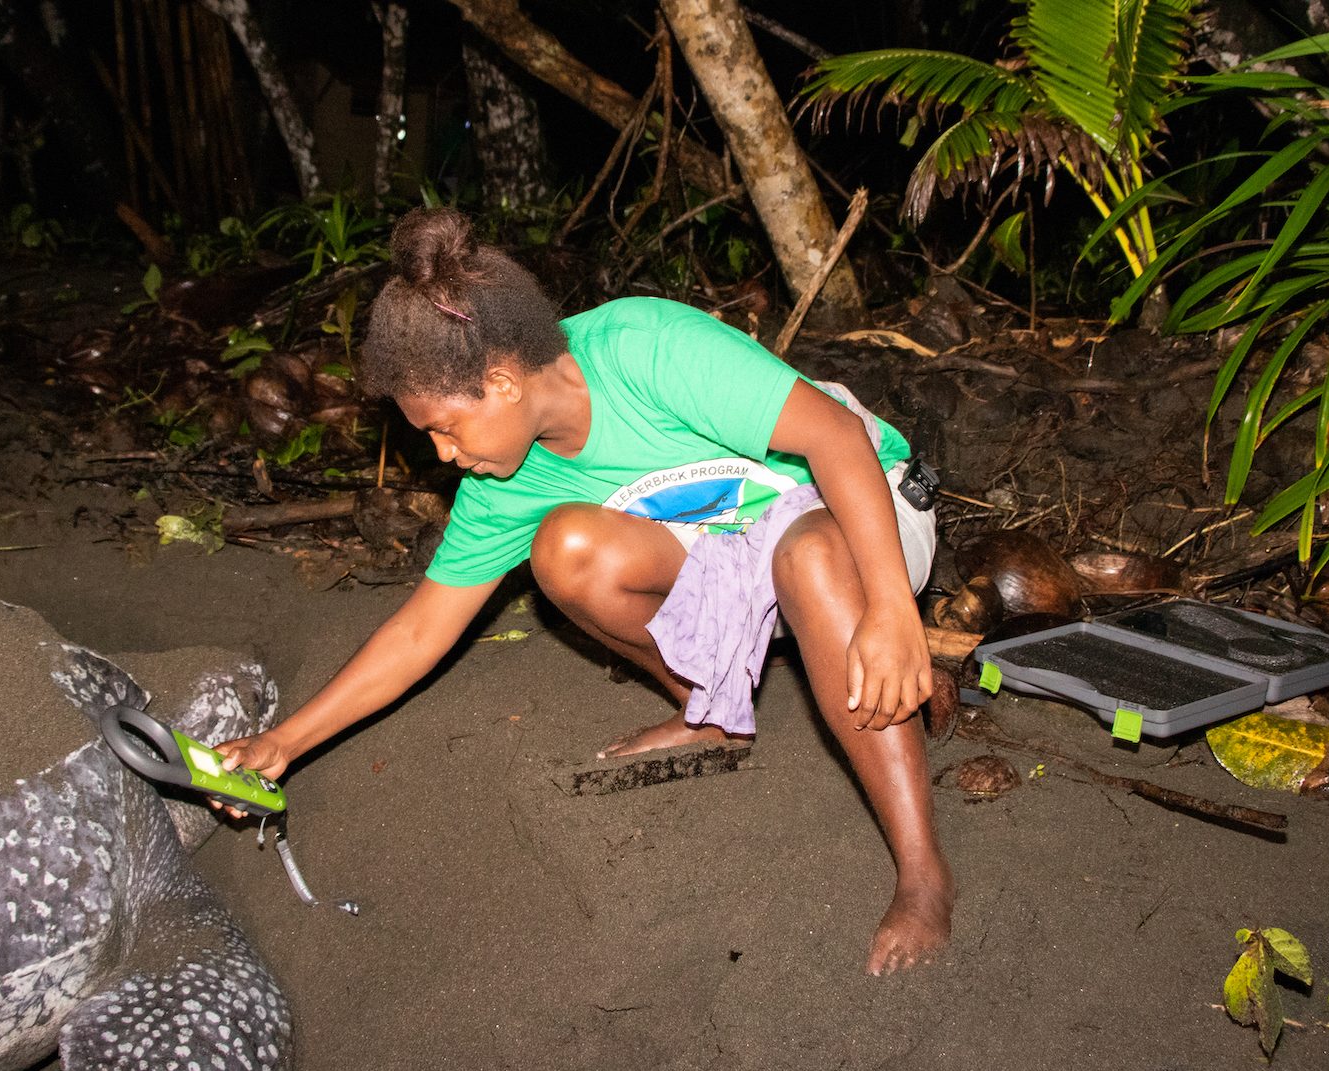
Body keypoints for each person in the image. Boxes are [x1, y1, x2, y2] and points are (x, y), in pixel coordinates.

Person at [218, 207, 953, 975]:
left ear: (501, 382)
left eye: (444, 428)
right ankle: (712, 714)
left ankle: (924, 871)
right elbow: (416, 632)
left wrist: (894, 612)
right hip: (741, 549)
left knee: (808, 555)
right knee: (564, 553)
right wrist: (281, 744)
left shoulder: (646, 350)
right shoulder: (508, 481)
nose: (441, 453)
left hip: (866, 505)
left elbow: (834, 436)